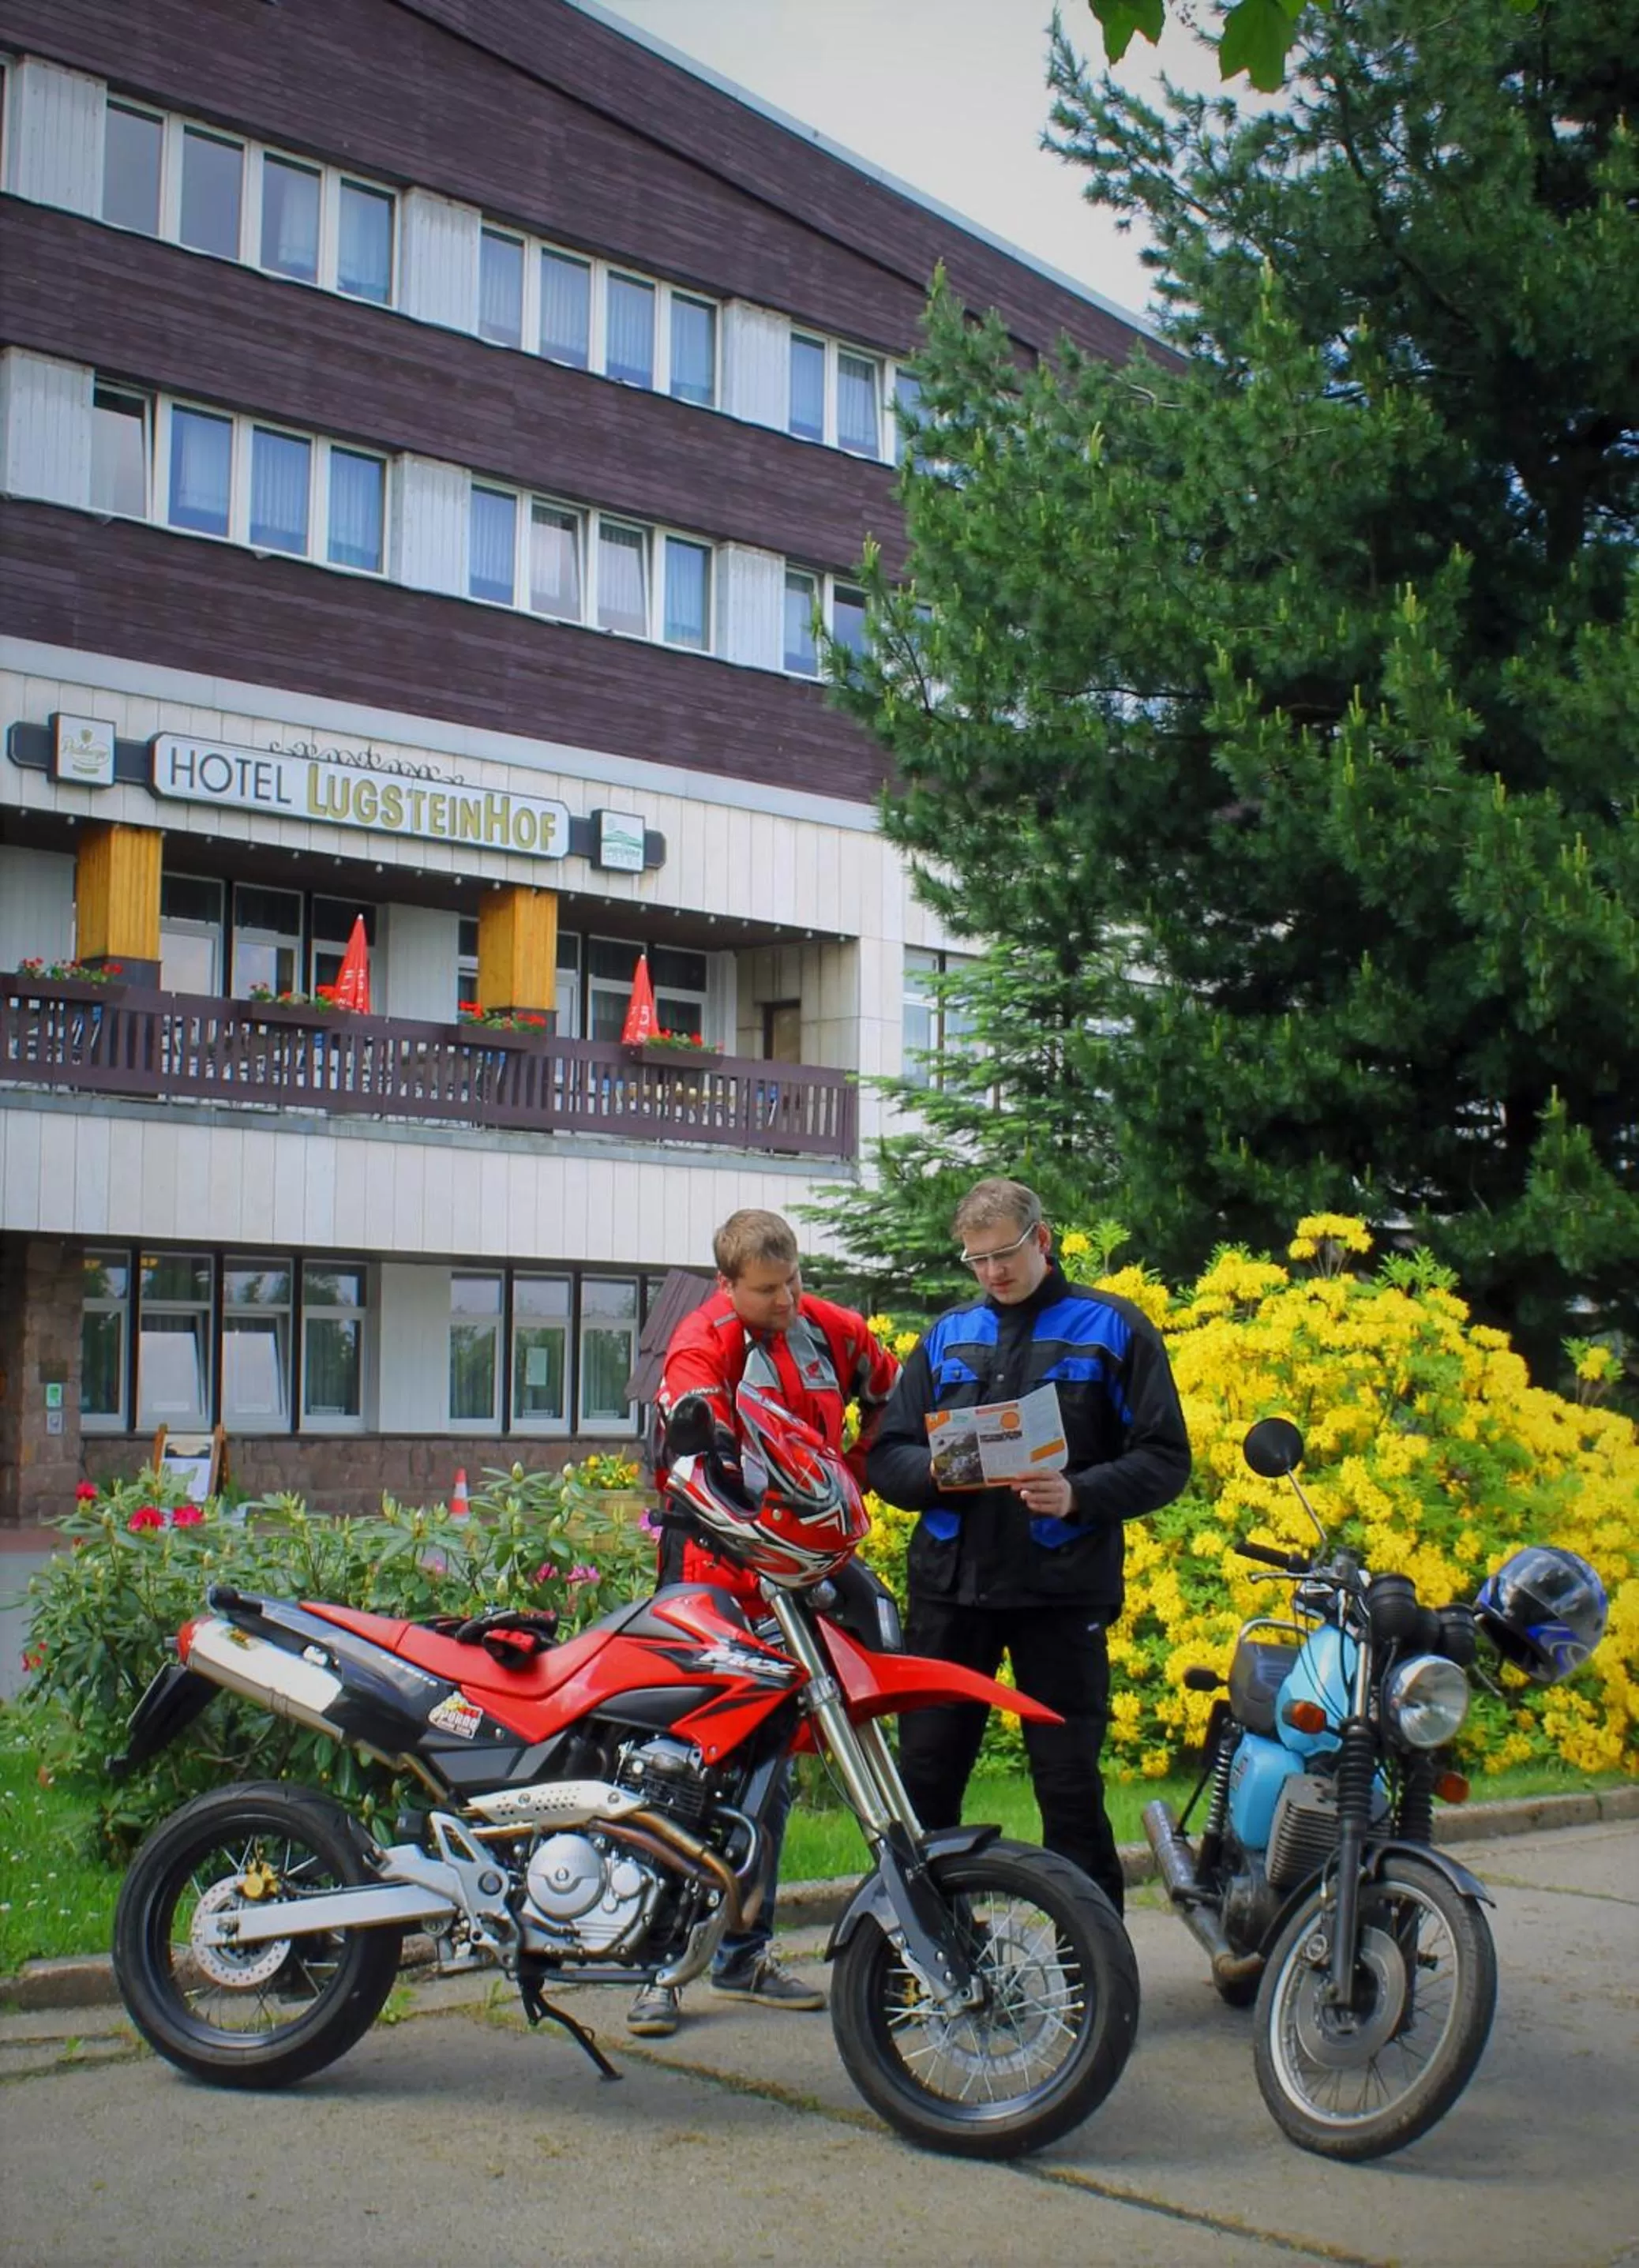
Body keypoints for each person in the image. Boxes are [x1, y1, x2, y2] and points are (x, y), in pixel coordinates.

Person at [865, 1178, 1191, 1917]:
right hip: (951, 1595)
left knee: (1068, 1787)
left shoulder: (1114, 1329)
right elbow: (887, 1458)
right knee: (925, 1780)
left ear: (1041, 1239)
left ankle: (1093, 1961)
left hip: (1061, 1594)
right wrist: (939, 1471)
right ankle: (921, 1952)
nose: (991, 1272)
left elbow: (1166, 1458)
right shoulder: (948, 1335)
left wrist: (1079, 1492)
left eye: (1003, 1255)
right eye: (975, 1259)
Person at [628, 1207, 900, 2037]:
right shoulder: (700, 1343)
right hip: (711, 1577)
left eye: (794, 1281)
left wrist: (854, 1475)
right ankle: (656, 1967)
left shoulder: (832, 1329)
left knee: (771, 1769)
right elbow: (688, 1455)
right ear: (727, 1283)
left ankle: (744, 1954)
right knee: (687, 1763)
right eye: (767, 1289)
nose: (786, 1300)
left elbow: (895, 1394)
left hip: (795, 1575)